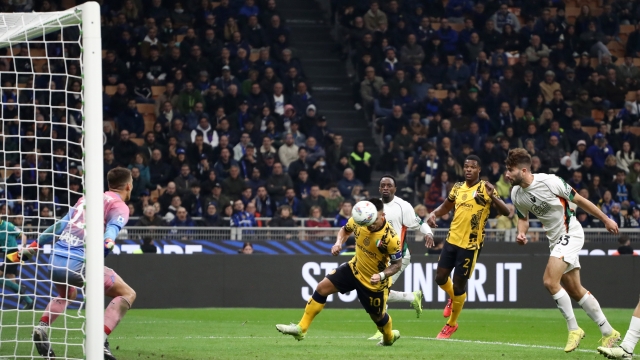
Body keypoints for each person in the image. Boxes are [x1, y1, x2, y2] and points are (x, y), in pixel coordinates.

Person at [505, 148, 620, 353]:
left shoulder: (550, 181)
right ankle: (608, 332)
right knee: (576, 290)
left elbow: (580, 200)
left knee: (550, 281)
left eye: (510, 170)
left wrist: (606, 219)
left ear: (523, 170)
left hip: (571, 233)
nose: (506, 174)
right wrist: (521, 233)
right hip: (555, 240)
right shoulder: (516, 193)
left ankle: (574, 328)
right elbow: (523, 219)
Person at [31, 168, 136, 360]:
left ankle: (42, 327)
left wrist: (33, 246)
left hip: (55, 261)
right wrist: (107, 243)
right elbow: (112, 231)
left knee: (68, 294)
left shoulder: (85, 199)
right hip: (77, 264)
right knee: (128, 293)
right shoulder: (119, 206)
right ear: (128, 186)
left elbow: (59, 225)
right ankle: (100, 343)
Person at [276, 198, 402, 346]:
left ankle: (389, 337)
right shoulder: (360, 219)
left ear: (382, 215)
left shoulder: (391, 238)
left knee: (378, 317)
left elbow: (397, 264)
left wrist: (381, 275)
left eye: (374, 220)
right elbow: (345, 230)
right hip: (354, 268)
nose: (370, 224)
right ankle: (301, 329)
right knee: (322, 288)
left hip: (374, 282)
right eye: (368, 221)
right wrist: (338, 242)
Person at [426, 155, 509, 339]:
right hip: (451, 240)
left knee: (459, 285)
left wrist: (493, 197)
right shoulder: (457, 187)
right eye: (466, 167)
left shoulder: (485, 188)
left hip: (470, 245)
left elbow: (506, 212)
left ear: (479, 170)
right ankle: (452, 299)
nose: (468, 170)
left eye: (472, 167)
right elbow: (446, 207)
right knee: (440, 278)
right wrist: (433, 213)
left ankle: (451, 324)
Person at [368, 175, 434, 341]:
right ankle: (412, 297)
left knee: (379, 290)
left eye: (389, 185)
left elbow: (419, 222)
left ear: (394, 189)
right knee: (376, 290)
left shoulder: (403, 206)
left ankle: (382, 329)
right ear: (379, 188)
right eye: (382, 185)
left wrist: (428, 233)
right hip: (380, 258)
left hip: (399, 257)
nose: (385, 188)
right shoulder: (372, 206)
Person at [0, 217, 33, 309]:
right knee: (12, 281)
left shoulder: (8, 225)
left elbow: (23, 235)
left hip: (14, 253)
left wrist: (23, 246)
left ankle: (22, 290)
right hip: (6, 253)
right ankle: (28, 301)